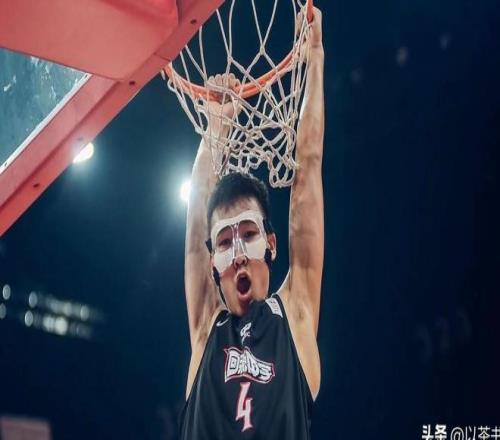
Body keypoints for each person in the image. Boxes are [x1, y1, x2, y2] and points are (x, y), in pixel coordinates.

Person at [180, 7, 324, 439]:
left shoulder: (295, 315)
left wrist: (315, 59)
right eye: (225, 242)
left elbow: (308, 167)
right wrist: (216, 126)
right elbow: (195, 231)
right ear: (212, 262)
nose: (239, 252)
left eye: (247, 233)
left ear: (272, 243)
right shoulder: (207, 328)